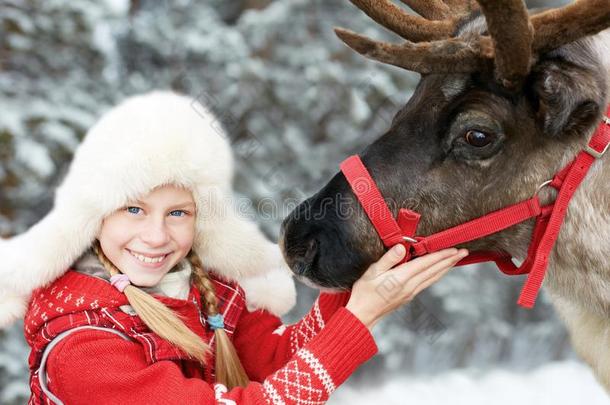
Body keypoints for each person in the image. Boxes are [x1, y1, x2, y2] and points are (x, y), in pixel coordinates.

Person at [3, 91, 468, 404]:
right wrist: (359, 318)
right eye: (133, 210)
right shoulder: (82, 346)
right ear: (93, 216)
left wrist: (360, 284)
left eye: (178, 213)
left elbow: (273, 361)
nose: (157, 237)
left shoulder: (209, 293)